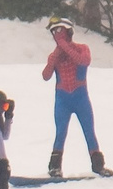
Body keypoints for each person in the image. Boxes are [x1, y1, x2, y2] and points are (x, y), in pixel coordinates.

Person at [40, 17, 108, 177]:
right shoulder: (54, 55)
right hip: (62, 99)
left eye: (59, 31)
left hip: (80, 98)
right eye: (54, 32)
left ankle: (98, 166)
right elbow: (46, 75)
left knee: (89, 131)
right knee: (60, 132)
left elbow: (84, 61)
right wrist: (57, 53)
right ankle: (54, 167)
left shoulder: (82, 48)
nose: (57, 35)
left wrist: (64, 45)